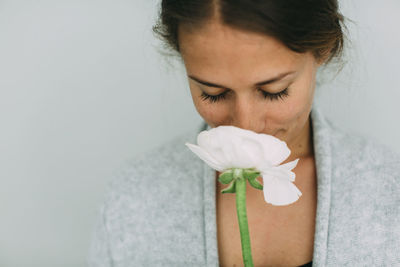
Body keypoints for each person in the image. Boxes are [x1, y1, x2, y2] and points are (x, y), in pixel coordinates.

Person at [88, 1, 400, 266]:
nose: (245, 127)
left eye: (273, 92)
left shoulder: (388, 192)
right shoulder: (133, 199)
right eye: (212, 93)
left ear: (324, 50)